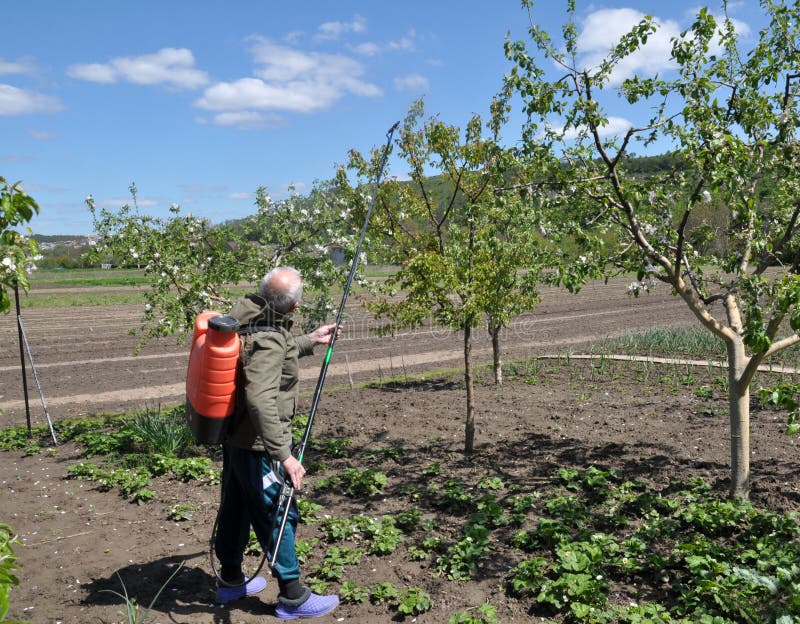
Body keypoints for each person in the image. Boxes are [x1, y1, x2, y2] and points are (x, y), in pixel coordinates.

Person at [214, 266, 340, 619]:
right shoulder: (268, 337)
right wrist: (284, 455)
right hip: (258, 444)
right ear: (293, 307)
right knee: (278, 512)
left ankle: (231, 580)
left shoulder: (249, 319)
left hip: (236, 437)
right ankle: (293, 597)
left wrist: (311, 340)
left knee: (236, 508)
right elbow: (260, 399)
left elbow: (269, 352)